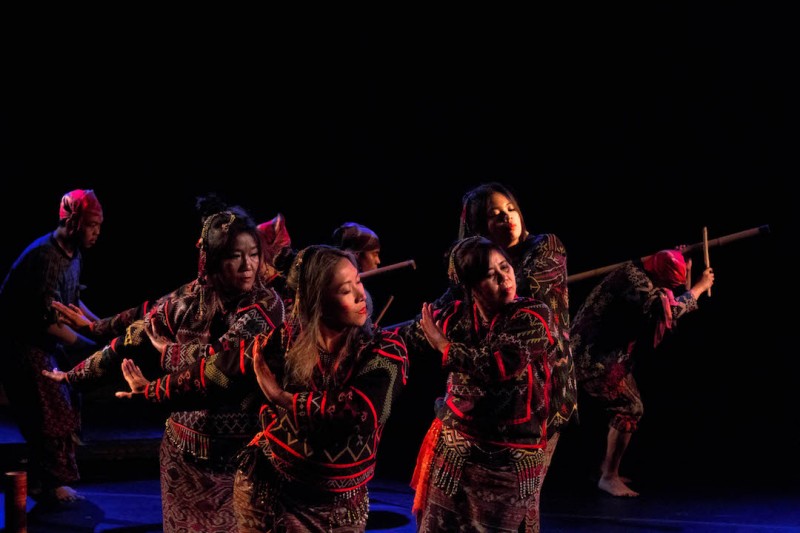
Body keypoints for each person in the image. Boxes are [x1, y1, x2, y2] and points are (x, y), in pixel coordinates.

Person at [116, 244, 410, 531]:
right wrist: (153, 390)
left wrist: (282, 398)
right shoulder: (284, 341)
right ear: (316, 301)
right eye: (346, 290)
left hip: (343, 508)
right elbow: (219, 372)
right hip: (271, 493)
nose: (361, 295)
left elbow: (361, 412)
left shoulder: (384, 351)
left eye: (358, 282)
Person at [43, 197, 285, 532]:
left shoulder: (266, 306)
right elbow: (132, 334)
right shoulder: (187, 299)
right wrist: (74, 375)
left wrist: (169, 353)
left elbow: (222, 361)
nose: (248, 265)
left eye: (254, 254)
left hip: (243, 459)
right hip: (184, 458)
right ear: (214, 260)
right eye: (234, 256)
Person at [399, 236, 556, 532]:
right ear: (471, 287)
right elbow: (409, 338)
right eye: (489, 274)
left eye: (505, 266)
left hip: (509, 458)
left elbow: (498, 365)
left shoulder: (533, 316)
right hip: (457, 451)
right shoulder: (458, 316)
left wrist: (442, 344)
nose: (503, 277)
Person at [444, 182, 578, 500]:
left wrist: (480, 266)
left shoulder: (546, 247)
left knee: (524, 495)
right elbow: (451, 297)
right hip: (495, 395)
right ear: (478, 227)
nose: (507, 218)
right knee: (489, 499)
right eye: (495, 215)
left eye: (511, 209)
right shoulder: (476, 267)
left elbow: (519, 289)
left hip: (544, 389)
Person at [570, 248, 714, 497]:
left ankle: (603, 467)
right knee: (630, 407)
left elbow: (666, 293)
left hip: (597, 349)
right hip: (592, 355)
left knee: (613, 408)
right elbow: (670, 311)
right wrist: (700, 286)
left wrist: (683, 263)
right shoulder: (637, 284)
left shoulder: (637, 266)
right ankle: (609, 476)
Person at [0, 189, 104, 504]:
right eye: (92, 225)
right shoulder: (46, 256)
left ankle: (42, 482)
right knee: (49, 413)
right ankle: (48, 484)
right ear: (73, 223)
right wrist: (87, 345)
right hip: (23, 344)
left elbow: (71, 303)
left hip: (42, 344)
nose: (97, 233)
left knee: (65, 404)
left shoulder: (72, 255)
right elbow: (45, 317)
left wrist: (103, 327)